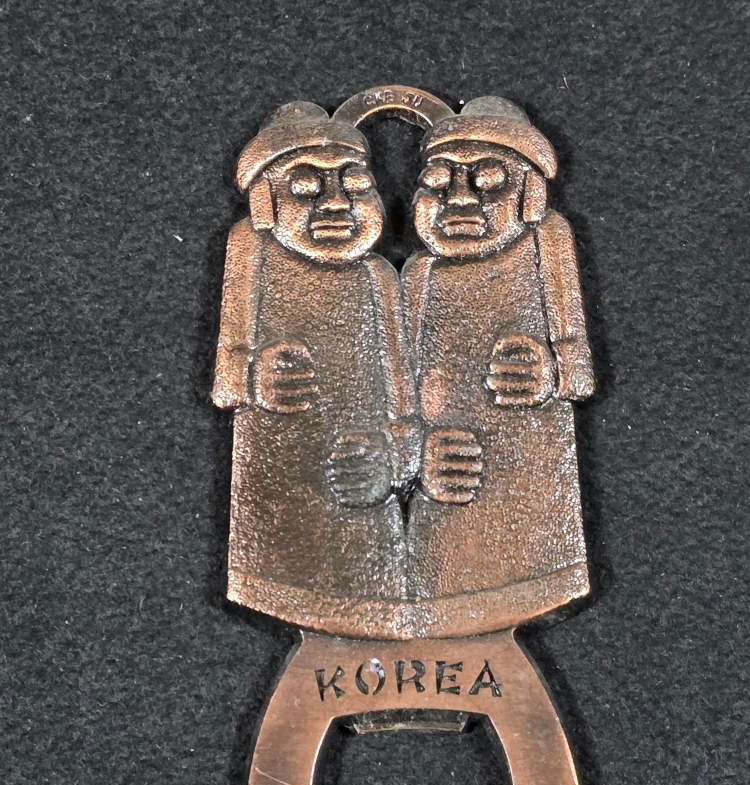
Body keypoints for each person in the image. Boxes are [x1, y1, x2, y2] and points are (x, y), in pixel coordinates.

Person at [212, 102, 419, 638]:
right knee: (286, 574)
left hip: (364, 470)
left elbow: (401, 384)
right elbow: (227, 375)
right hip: (279, 463)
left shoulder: (377, 276)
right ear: (266, 201)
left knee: (370, 572)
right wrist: (253, 374)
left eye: (355, 185)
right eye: (305, 188)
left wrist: (400, 453)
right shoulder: (252, 250)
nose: (334, 203)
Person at [402, 96, 595, 636]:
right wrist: (414, 450)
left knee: (529, 573)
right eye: (438, 182)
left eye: (489, 181)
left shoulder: (546, 242)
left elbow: (579, 366)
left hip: (531, 462)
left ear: (529, 193)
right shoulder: (419, 274)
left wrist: (551, 369)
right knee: (442, 569)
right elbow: (396, 381)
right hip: (448, 466)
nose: (460, 199)